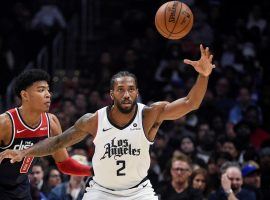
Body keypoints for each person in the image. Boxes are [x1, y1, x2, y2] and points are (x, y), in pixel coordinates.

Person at [0, 45, 214, 200]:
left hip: (139, 191)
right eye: (121, 90)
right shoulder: (93, 120)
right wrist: (24, 153)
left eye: (131, 89)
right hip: (101, 191)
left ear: (137, 92)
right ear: (111, 94)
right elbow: (57, 143)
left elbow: (190, 103)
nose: (127, 94)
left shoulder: (150, 115)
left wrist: (203, 76)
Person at [0, 69, 91, 199]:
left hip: (21, 188)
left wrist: (93, 171)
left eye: (48, 90)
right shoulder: (5, 123)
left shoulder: (51, 122)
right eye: (41, 90)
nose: (48, 94)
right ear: (25, 95)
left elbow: (64, 164)